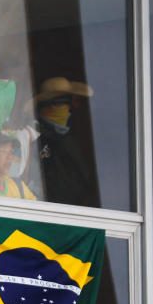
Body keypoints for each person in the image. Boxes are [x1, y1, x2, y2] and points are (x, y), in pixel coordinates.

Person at [30, 76, 100, 207]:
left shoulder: (69, 140)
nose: (68, 110)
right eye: (65, 103)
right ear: (52, 105)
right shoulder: (32, 138)